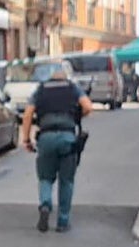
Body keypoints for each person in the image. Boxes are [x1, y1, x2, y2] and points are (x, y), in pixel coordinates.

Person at [20, 67, 94, 233]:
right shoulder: (72, 87)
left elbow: (27, 114)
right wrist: (76, 116)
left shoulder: (41, 89)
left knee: (45, 178)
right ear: (64, 77)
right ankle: (63, 221)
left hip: (46, 138)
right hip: (67, 137)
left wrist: (26, 139)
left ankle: (45, 205)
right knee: (67, 181)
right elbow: (88, 107)